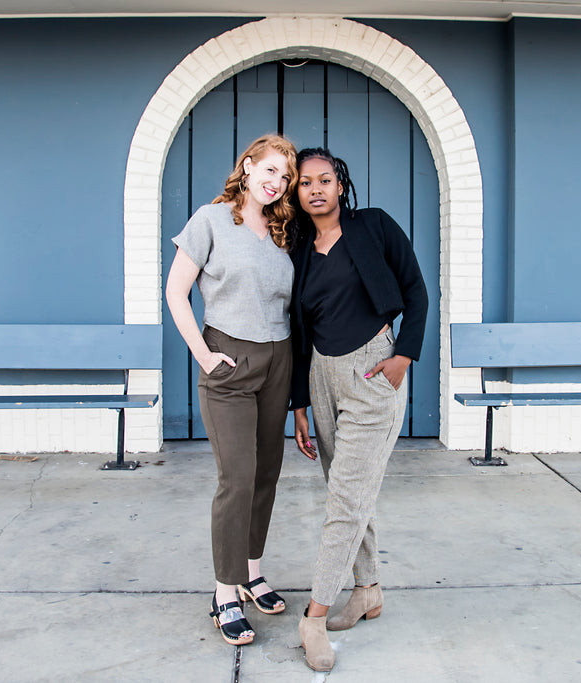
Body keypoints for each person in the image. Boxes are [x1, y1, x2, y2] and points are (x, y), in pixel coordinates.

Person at [289, 148, 427, 671]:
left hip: (374, 370)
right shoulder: (300, 247)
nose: (316, 189)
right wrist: (300, 404)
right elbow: (298, 329)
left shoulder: (373, 227)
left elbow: (416, 291)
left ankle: (314, 616)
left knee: (345, 500)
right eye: (306, 183)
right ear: (298, 194)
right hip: (321, 376)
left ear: (341, 186)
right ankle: (367, 590)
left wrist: (403, 358)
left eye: (325, 180)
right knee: (348, 491)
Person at [164, 134, 298, 646]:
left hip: (278, 357)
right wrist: (203, 354)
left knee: (266, 473)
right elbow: (176, 292)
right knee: (236, 478)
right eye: (268, 170)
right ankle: (224, 593)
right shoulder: (211, 219)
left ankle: (251, 572)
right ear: (246, 165)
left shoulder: (283, 229)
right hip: (228, 357)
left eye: (283, 177)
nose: (275, 183)